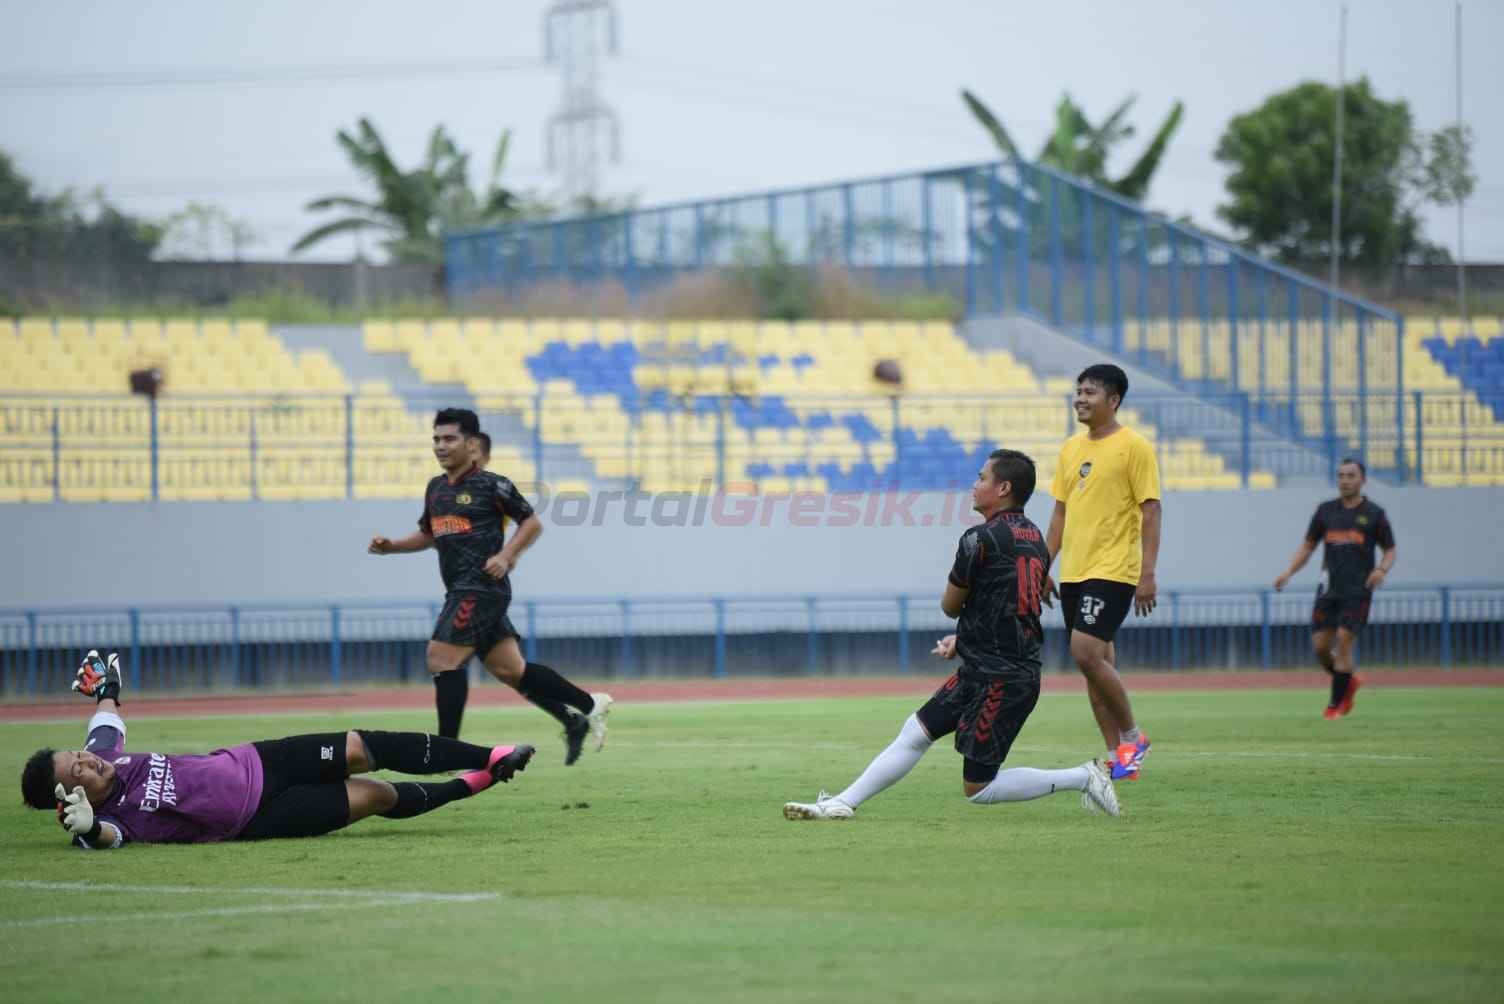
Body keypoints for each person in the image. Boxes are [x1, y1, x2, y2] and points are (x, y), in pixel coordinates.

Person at [783, 450, 1121, 821]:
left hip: (1001, 678)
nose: (975, 486)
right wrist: (962, 641)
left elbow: (950, 605)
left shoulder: (979, 539)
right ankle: (842, 803)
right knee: (915, 731)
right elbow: (1007, 607)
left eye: (982, 478)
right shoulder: (1035, 538)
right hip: (994, 667)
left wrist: (961, 630)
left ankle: (1084, 776)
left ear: (1004, 487)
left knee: (979, 788)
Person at [19, 651, 535, 848]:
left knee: (363, 746)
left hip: (259, 759)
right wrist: (86, 828)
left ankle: (490, 753)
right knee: (376, 796)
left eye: (78, 754)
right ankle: (482, 780)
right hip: (261, 817)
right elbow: (104, 838)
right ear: (69, 797)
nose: (87, 759)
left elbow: (105, 720)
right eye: (77, 769)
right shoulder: (105, 821)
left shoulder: (105, 754)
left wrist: (106, 688)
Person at [368, 407, 611, 764]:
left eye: (449, 439)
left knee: (440, 657)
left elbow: (531, 523)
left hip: (481, 587)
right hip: (461, 589)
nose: (440, 446)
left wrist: (508, 555)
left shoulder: (492, 484)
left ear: (471, 444)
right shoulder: (435, 489)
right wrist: (392, 547)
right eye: (436, 439)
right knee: (511, 670)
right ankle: (590, 705)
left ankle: (444, 751)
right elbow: (428, 534)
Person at [1045, 363, 1158, 781]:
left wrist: (1148, 573)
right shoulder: (1071, 449)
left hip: (1113, 569)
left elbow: (1151, 511)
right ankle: (1120, 760)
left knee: (1085, 653)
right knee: (1094, 667)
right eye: (1078, 391)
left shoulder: (1135, 447)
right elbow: (1059, 514)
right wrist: (1043, 566)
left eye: (1090, 392)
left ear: (1113, 400)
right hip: (1075, 570)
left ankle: (1132, 734)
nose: (1080, 398)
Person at [1273, 458, 1397, 718]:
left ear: (1363, 480)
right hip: (1328, 590)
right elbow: (1308, 546)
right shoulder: (1325, 511)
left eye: (1351, 476)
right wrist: (1288, 572)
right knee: (1320, 647)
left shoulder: (1374, 514)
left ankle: (1335, 705)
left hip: (1358, 590)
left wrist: (1381, 570)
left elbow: (1390, 550)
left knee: (1343, 641)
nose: (1345, 480)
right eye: (1341, 475)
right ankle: (1348, 681)